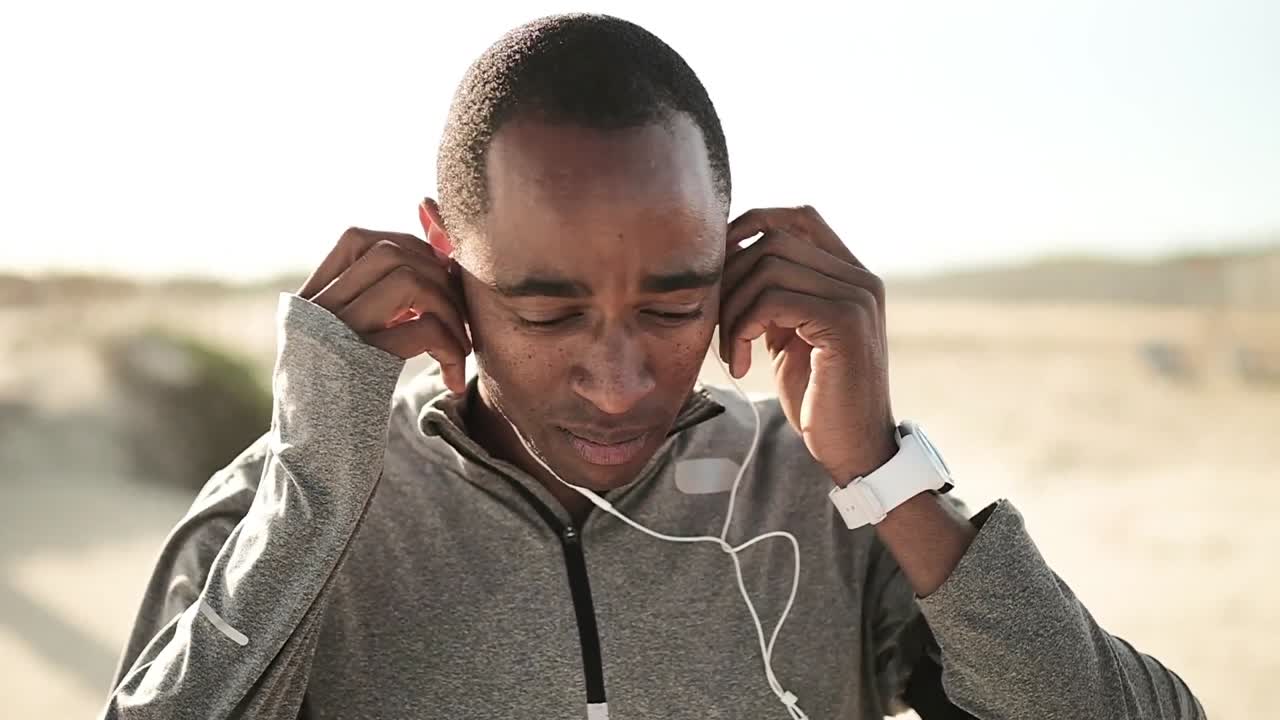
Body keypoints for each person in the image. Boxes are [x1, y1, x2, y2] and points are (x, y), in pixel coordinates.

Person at [101, 13, 1205, 720]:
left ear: (734, 248)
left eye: (674, 303)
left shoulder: (826, 505)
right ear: (441, 253)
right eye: (548, 312)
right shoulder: (291, 508)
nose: (621, 380)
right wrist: (319, 493)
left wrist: (885, 475)